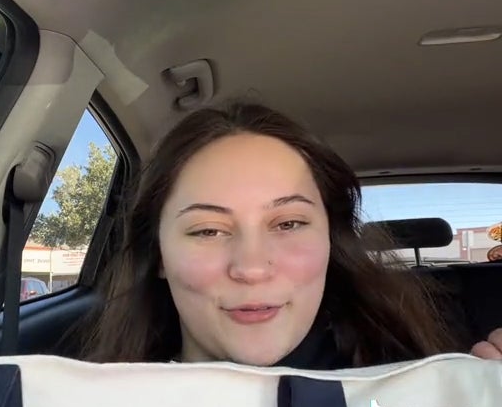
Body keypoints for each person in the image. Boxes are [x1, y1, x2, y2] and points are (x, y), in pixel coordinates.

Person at [71, 100, 497, 367]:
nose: (252, 268)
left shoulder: (435, 400)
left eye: (289, 223)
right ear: (160, 254)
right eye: (208, 230)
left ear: (331, 241)